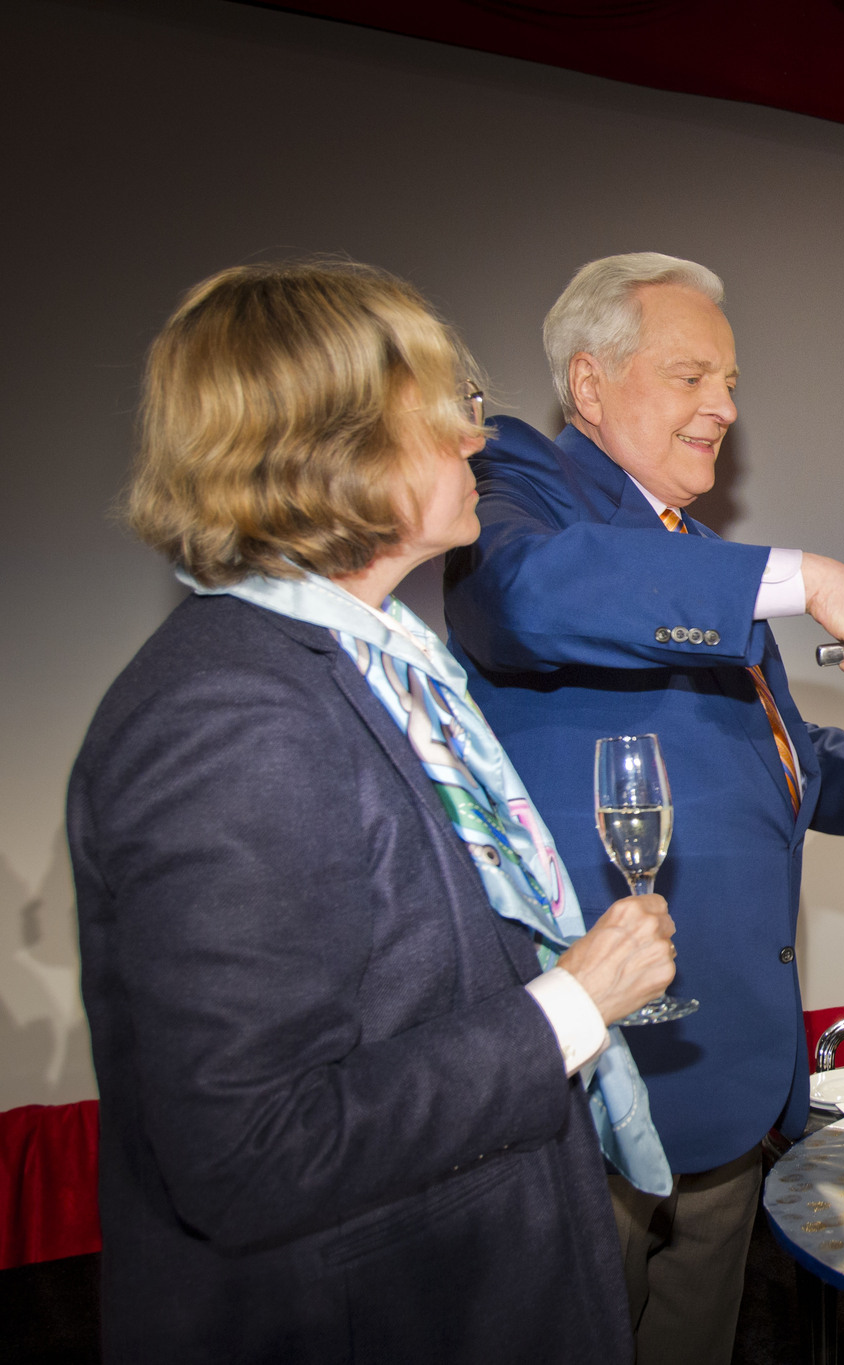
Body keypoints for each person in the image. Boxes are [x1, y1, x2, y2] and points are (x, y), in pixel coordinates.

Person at [71, 261, 680, 1363]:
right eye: (444, 413)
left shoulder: (376, 669)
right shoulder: (232, 714)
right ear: (333, 446)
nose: (475, 441)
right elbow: (251, 1152)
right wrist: (569, 1006)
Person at [442, 252, 844, 1361]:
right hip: (597, 1084)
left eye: (732, 381)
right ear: (589, 385)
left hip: (731, 1071)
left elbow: (765, 768)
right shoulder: (512, 486)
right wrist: (802, 575)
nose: (725, 408)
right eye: (691, 375)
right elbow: (525, 597)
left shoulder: (693, 556)